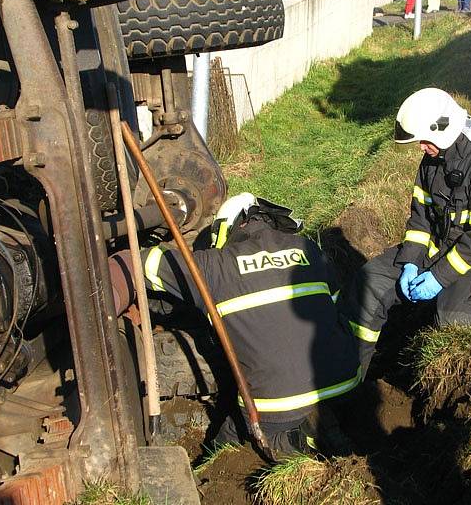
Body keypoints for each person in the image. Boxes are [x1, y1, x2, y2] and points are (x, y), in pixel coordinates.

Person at [109, 193, 361, 455]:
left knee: (229, 445)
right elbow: (331, 310)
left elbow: (134, 263)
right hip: (347, 380)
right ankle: (330, 422)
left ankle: (289, 444)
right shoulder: (310, 249)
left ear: (226, 228)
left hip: (278, 405)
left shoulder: (212, 265)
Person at [340, 88, 471, 376]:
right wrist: (411, 261)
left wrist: (439, 278)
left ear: (442, 129)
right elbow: (421, 217)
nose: (421, 147)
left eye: (424, 140)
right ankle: (351, 376)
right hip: (438, 247)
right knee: (369, 283)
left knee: (453, 318)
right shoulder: (434, 159)